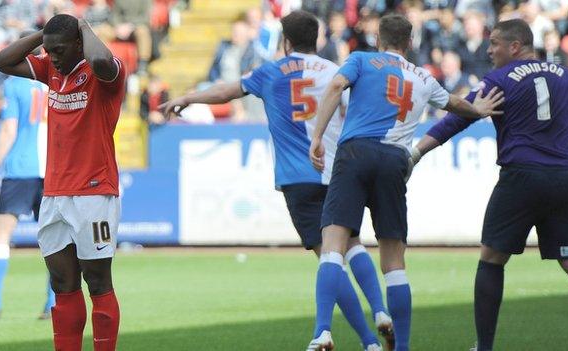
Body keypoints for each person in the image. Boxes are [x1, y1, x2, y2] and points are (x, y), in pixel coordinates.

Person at [160, 10, 393, 351]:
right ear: (317, 39)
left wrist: (188, 98)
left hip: (299, 178)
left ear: (285, 41)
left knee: (329, 258)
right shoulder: (335, 71)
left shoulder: (269, 72)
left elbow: (227, 91)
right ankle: (382, 311)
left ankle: (368, 342)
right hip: (339, 172)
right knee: (353, 243)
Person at [307, 14, 503, 351]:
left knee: (333, 246)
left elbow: (337, 85)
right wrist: (479, 109)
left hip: (355, 153)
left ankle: (323, 331)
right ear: (410, 43)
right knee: (394, 261)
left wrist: (319, 136)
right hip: (395, 159)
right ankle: (403, 347)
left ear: (379, 38)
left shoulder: (361, 59)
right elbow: (454, 105)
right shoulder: (423, 76)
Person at [411, 19, 568, 351]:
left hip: (522, 178)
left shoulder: (499, 80)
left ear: (515, 46)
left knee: (491, 258)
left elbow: (460, 116)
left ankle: (484, 347)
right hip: (565, 179)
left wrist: (416, 151)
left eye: (495, 44)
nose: (489, 50)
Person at [0, 14, 126, 351]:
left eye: (59, 50)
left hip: (94, 193)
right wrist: (45, 35)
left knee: (97, 282)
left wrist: (82, 27)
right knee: (63, 284)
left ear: (79, 43)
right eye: (48, 51)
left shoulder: (106, 73)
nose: (51, 57)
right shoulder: (52, 70)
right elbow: (2, 61)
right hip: (54, 195)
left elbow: (98, 58)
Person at [0, 35, 54, 320]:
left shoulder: (14, 85)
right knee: (55, 241)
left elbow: (9, 130)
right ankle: (53, 304)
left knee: (0, 236)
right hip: (53, 171)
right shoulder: (55, 83)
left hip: (20, 169)